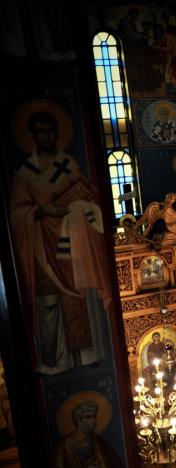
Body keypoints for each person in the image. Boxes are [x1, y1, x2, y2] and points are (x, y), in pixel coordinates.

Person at [11, 110, 110, 375]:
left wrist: (86, 201)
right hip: (43, 248)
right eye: (41, 131)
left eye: (50, 131)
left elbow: (90, 196)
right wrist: (41, 211)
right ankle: (56, 361)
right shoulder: (25, 174)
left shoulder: (68, 164)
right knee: (49, 303)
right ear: (33, 136)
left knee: (82, 300)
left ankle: (89, 356)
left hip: (75, 244)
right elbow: (16, 215)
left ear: (57, 133)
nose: (46, 136)